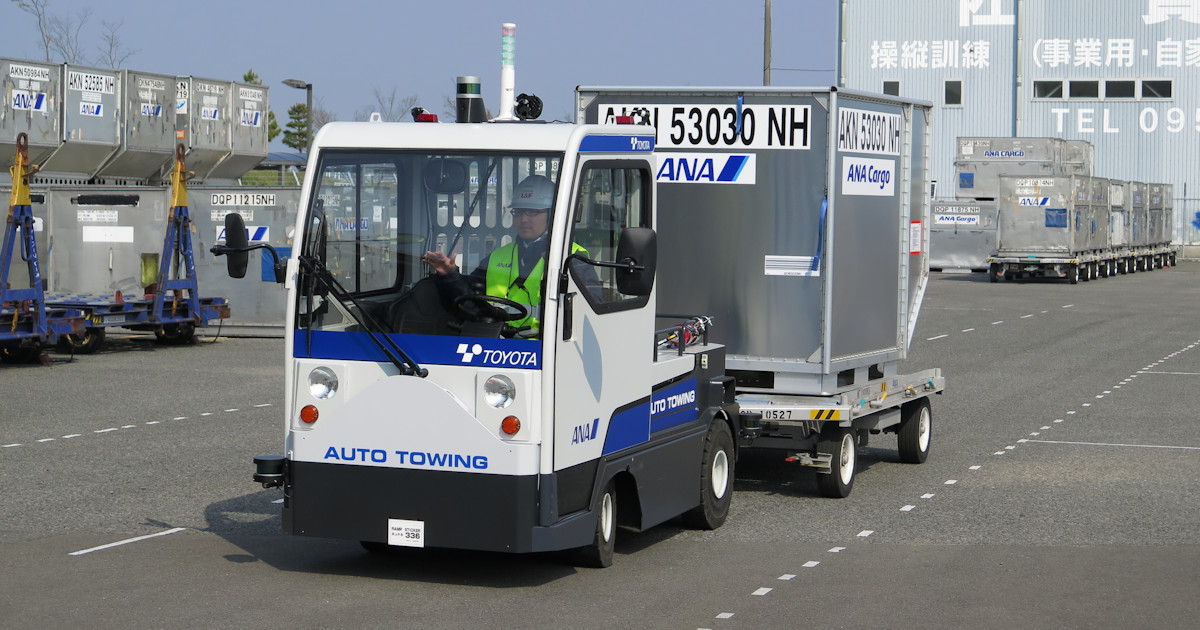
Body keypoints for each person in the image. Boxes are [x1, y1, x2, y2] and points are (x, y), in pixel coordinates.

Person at [423, 174, 591, 336]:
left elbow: (585, 318)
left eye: (532, 212)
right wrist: (450, 274)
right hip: (499, 349)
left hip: (544, 352)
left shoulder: (573, 258)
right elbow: (469, 301)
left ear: (553, 213)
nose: (524, 219)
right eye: (518, 212)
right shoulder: (496, 257)